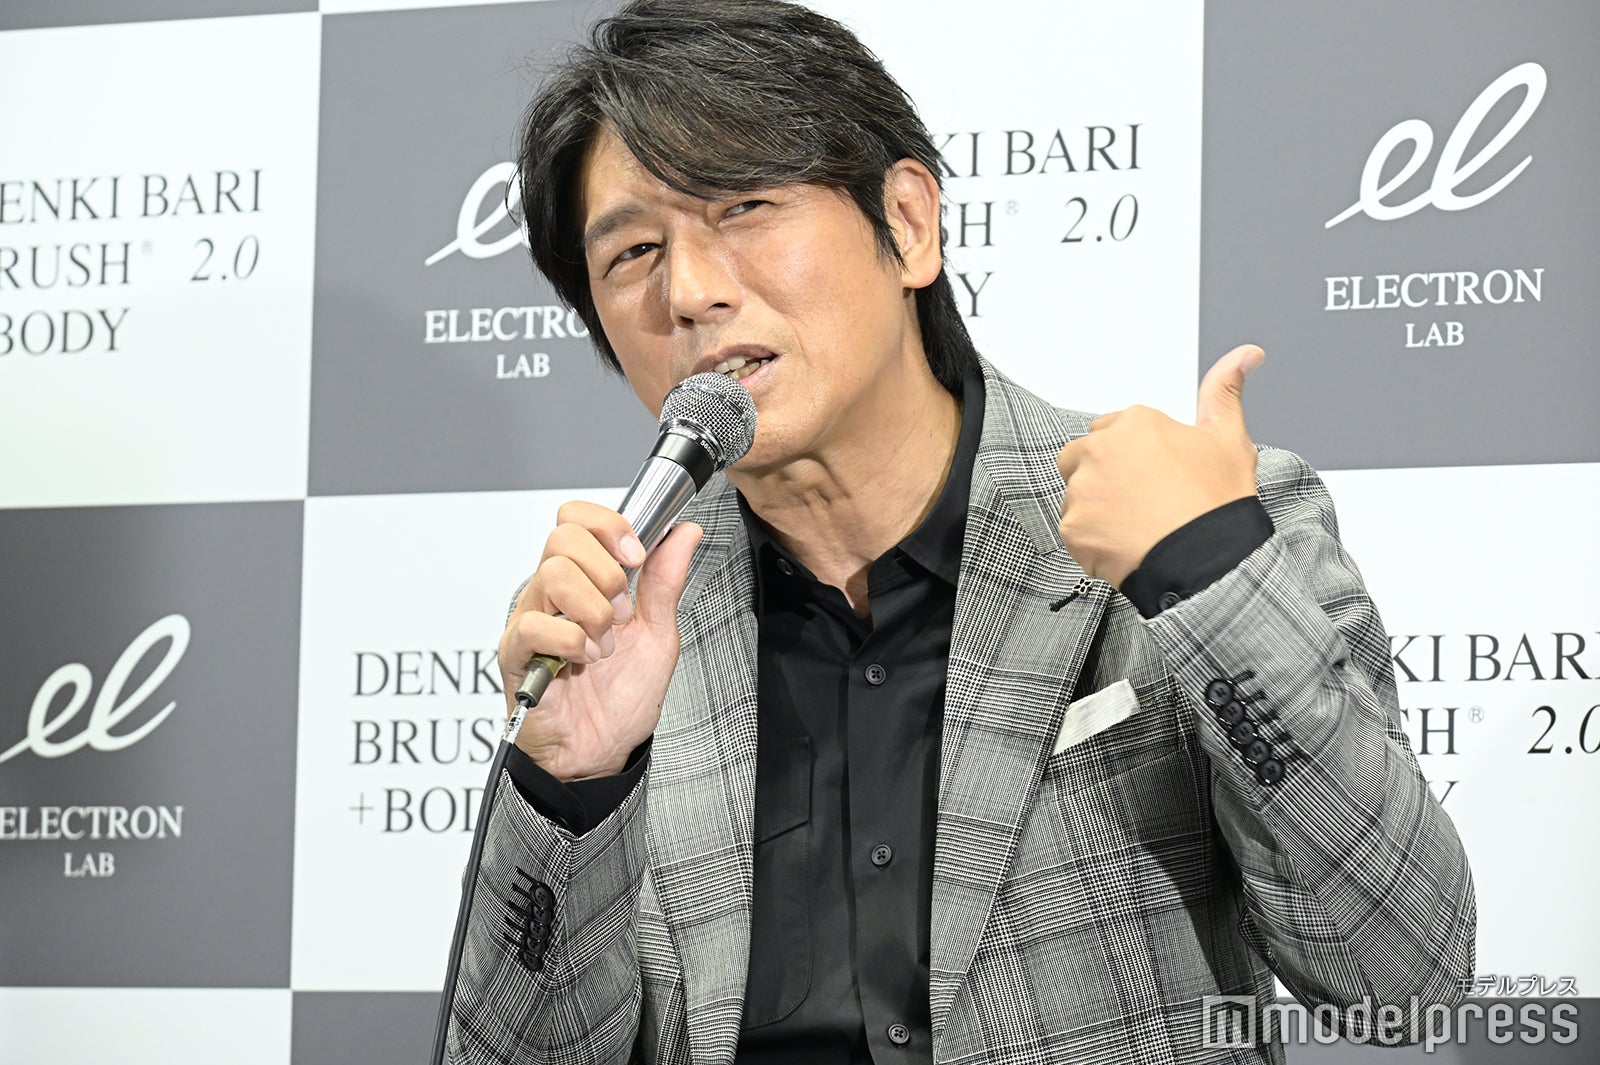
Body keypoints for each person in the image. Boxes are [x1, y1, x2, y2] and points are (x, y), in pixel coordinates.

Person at [446, 1, 1475, 1062]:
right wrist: (572, 784)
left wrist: (1206, 577)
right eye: (634, 253)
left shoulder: (1191, 524)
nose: (692, 292)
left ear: (907, 223)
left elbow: (1402, 980)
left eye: (744, 206)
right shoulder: (618, 622)